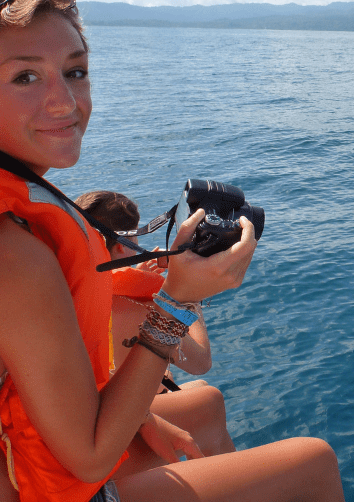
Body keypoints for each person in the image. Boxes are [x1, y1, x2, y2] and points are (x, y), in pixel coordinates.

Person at [0, 0, 344, 502]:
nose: (64, 102)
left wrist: (139, 415)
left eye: (75, 72)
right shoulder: (6, 257)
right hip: (22, 483)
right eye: (25, 77)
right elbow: (91, 454)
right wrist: (179, 301)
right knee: (313, 463)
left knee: (203, 404)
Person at [76, 190, 235, 456]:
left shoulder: (76, 292)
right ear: (120, 245)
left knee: (199, 391)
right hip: (126, 415)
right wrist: (182, 292)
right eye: (137, 235)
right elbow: (200, 363)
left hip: (98, 409)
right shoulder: (141, 304)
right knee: (210, 399)